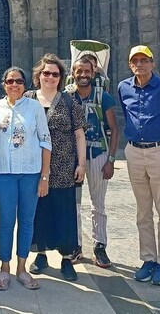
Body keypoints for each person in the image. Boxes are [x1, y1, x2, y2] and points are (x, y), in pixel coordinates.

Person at [118, 45, 160, 286]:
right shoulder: (124, 87)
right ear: (130, 65)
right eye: (135, 60)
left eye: (144, 60)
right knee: (142, 210)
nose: (140, 64)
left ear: (152, 63)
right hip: (135, 151)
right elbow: (126, 113)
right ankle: (148, 259)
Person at [26, 54, 87, 281]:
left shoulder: (69, 101)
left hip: (63, 168)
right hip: (34, 167)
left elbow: (79, 135)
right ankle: (40, 254)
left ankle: (66, 258)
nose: (50, 77)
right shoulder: (28, 99)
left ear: (60, 77)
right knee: (39, 212)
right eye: (46, 73)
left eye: (55, 74)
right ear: (39, 75)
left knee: (64, 213)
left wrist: (82, 164)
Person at [0, 67, 52, 291]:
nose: (14, 85)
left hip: (30, 172)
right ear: (4, 84)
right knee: (6, 221)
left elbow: (45, 140)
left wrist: (44, 176)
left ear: (25, 85)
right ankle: (4, 267)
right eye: (10, 81)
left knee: (26, 220)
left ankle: (22, 268)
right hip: (3, 173)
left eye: (18, 81)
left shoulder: (34, 108)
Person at [70, 56, 119, 269]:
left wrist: (111, 159)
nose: (83, 75)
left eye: (87, 71)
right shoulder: (67, 96)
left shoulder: (102, 96)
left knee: (98, 203)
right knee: (73, 204)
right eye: (79, 71)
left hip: (98, 153)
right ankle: (75, 245)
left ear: (93, 73)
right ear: (73, 73)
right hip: (73, 157)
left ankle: (100, 245)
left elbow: (114, 129)